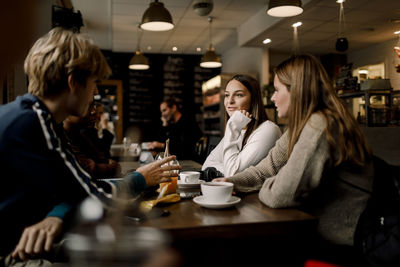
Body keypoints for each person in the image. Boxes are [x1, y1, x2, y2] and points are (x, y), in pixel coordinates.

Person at [0, 27, 180, 264]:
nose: (95, 93)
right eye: (94, 83)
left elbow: (76, 186)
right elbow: (91, 196)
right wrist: (140, 178)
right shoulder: (34, 122)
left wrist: (58, 213)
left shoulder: (31, 115)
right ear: (74, 82)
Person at [215, 55, 374, 264]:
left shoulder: (320, 124)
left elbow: (281, 194)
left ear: (297, 90)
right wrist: (231, 182)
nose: (271, 98)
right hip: (314, 234)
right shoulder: (300, 126)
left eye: (277, 90)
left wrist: (274, 181)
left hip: (340, 246)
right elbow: (267, 168)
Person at [202, 74, 281, 177]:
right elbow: (206, 166)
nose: (230, 101)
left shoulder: (268, 130)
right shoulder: (238, 130)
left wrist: (232, 128)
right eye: (227, 95)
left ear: (253, 100)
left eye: (238, 95)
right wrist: (226, 167)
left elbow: (233, 174)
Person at [63, 102, 121, 179]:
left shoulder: (79, 134)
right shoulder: (64, 136)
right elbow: (91, 169)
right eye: (88, 105)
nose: (94, 112)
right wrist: (113, 167)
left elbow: (100, 158)